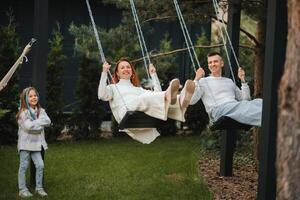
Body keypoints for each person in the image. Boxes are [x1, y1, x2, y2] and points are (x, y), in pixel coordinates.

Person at [98, 57, 195, 144]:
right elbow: (101, 95)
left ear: (132, 72)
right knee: (144, 98)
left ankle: (181, 100)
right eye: (122, 68)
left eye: (128, 67)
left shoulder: (138, 89)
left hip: (138, 110)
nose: (126, 69)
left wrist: (153, 75)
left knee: (149, 97)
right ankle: (172, 97)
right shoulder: (113, 88)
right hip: (126, 113)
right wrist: (104, 73)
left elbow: (156, 94)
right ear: (118, 74)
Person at [190, 52, 262, 127]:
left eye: (215, 61)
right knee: (241, 106)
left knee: (258, 102)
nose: (213, 64)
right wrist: (196, 79)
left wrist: (243, 80)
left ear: (222, 64)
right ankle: (266, 118)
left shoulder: (229, 81)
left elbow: (246, 100)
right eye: (210, 62)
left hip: (233, 107)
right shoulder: (203, 81)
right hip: (218, 110)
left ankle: (269, 117)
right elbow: (192, 100)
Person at [16, 87, 51, 198]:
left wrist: (35, 123)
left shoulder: (41, 111)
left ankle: (39, 187)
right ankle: (22, 189)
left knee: (40, 165)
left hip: (36, 144)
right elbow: (28, 126)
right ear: (25, 99)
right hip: (25, 144)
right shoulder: (22, 112)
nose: (33, 98)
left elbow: (48, 121)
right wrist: (39, 124)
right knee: (24, 166)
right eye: (30, 96)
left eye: (35, 95)